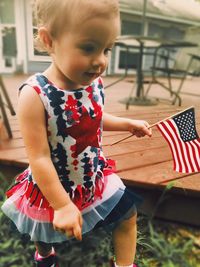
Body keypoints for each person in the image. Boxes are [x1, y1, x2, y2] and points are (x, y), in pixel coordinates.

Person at [1, 0, 152, 266]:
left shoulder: (93, 83)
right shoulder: (35, 95)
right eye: (88, 48)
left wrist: (126, 123)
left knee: (128, 215)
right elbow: (39, 159)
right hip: (52, 183)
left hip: (93, 175)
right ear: (49, 40)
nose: (101, 61)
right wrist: (61, 205)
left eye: (107, 49)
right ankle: (45, 255)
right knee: (43, 229)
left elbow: (93, 117)